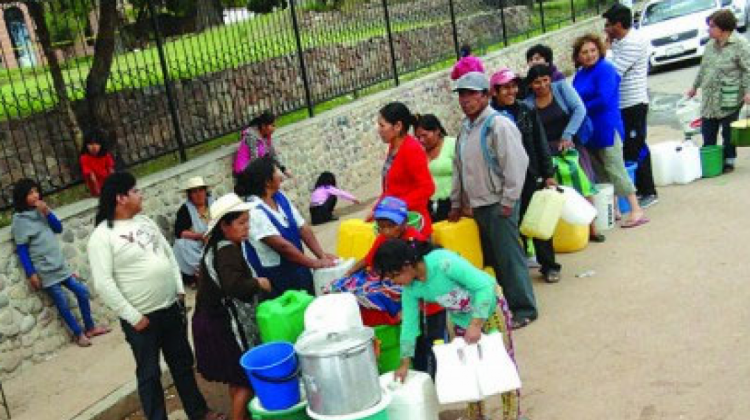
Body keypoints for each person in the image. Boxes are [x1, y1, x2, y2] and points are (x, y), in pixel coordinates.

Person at [87, 172, 225, 420]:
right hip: (142, 319)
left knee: (182, 364)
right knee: (149, 374)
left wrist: (179, 290)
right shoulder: (102, 236)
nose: (141, 195)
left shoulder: (145, 222)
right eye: (135, 191)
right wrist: (133, 316)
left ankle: (198, 412)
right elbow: (103, 283)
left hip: (170, 307)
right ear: (121, 198)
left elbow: (168, 255)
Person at [373, 239, 520, 420]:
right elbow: (410, 325)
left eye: (393, 275)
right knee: (466, 368)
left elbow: (484, 286)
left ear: (406, 265)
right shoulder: (410, 288)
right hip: (459, 318)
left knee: (501, 363)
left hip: (488, 309)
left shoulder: (443, 262)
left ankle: (512, 415)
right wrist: (404, 362)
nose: (394, 281)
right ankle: (476, 415)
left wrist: (476, 324)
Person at [449, 72, 537, 329]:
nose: (465, 100)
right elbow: (459, 168)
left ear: (486, 95)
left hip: (499, 202)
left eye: (471, 94)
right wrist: (457, 202)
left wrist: (509, 200)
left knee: (509, 258)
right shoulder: (465, 129)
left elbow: (516, 164)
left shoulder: (498, 125)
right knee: (495, 260)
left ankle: (525, 309)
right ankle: (507, 306)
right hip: (479, 205)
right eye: (462, 95)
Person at [193, 193, 272, 420]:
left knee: (236, 378)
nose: (246, 227)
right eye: (241, 223)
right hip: (221, 325)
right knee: (245, 381)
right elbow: (234, 286)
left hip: (211, 321)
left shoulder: (219, 245)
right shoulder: (226, 250)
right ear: (224, 226)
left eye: (247, 221)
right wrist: (259, 282)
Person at [11, 178, 110, 347]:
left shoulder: (41, 211)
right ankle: (78, 334)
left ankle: (90, 328)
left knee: (82, 291)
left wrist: (48, 212)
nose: (35, 195)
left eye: (36, 191)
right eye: (30, 193)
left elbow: (58, 228)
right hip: (45, 270)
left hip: (60, 265)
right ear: (22, 197)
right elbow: (22, 249)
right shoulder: (19, 221)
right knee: (62, 303)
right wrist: (31, 273)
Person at [490, 68, 562, 283]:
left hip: (531, 176)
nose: (511, 91)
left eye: (513, 86)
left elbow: (540, 143)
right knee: (514, 225)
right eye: (505, 87)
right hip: (504, 180)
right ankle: (521, 267)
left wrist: (548, 174)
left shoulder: (526, 111)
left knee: (539, 220)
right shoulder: (490, 117)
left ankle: (549, 265)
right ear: (495, 91)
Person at [572, 33, 648, 228]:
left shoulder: (605, 69)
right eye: (584, 52)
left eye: (592, 50)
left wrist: (580, 107)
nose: (589, 55)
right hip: (589, 131)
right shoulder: (580, 74)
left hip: (606, 126)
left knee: (615, 168)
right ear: (578, 56)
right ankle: (612, 210)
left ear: (599, 50)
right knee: (600, 173)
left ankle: (635, 208)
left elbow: (604, 99)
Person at [524, 64, 605, 242]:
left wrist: (568, 135)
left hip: (569, 146)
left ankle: (593, 227)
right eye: (537, 82)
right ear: (530, 85)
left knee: (583, 184)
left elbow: (579, 109)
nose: (542, 85)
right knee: (554, 191)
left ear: (550, 79)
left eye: (545, 80)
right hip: (546, 151)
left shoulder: (561, 88)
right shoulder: (527, 104)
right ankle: (562, 234)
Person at [236, 156, 335, 299]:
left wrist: (322, 255)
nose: (281, 174)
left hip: (297, 268)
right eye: (276, 170)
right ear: (267, 181)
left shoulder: (280, 197)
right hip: (275, 277)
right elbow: (282, 247)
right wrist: (314, 263)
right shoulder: (254, 211)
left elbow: (302, 227)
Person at [603, 4, 659, 208]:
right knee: (627, 147)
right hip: (622, 105)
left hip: (634, 103)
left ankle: (649, 191)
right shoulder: (620, 41)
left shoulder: (634, 42)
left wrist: (607, 51)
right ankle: (637, 190)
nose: (606, 29)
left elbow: (613, 72)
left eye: (608, 25)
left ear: (618, 24)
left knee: (637, 147)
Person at [688, 9, 750, 173]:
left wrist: (748, 91)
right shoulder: (710, 45)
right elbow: (703, 69)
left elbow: (747, 70)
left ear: (723, 29)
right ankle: (710, 157)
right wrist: (694, 87)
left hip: (729, 95)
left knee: (729, 131)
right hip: (709, 97)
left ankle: (729, 160)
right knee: (708, 130)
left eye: (712, 27)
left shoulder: (741, 45)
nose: (709, 30)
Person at [374, 102, 436, 236]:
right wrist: (378, 209)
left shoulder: (411, 149)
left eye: (382, 125)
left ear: (397, 126)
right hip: (394, 225)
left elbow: (427, 187)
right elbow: (390, 188)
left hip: (412, 226)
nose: (378, 129)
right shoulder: (393, 147)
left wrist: (397, 206)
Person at [173, 176, 213, 289]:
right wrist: (199, 236)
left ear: (205, 191)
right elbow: (179, 232)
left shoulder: (214, 203)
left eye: (201, 190)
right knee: (180, 246)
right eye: (194, 192)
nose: (199, 194)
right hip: (197, 242)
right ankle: (195, 276)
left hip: (215, 236)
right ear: (190, 195)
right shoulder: (185, 209)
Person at [415, 114, 456, 223]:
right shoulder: (420, 153)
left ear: (437, 131)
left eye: (425, 135)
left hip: (453, 204)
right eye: (418, 137)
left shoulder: (453, 144)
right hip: (430, 206)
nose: (422, 140)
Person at [233, 111, 288, 176]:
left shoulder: (266, 136)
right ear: (263, 126)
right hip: (243, 172)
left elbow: (272, 154)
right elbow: (255, 161)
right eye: (272, 125)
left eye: (275, 126)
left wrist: (283, 169)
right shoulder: (251, 137)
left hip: (254, 169)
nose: (274, 128)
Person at [79, 129, 115, 197]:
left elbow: (111, 170)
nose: (94, 147)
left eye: (97, 143)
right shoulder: (84, 158)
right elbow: (92, 177)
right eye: (90, 144)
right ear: (86, 145)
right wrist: (97, 190)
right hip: (96, 187)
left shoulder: (106, 155)